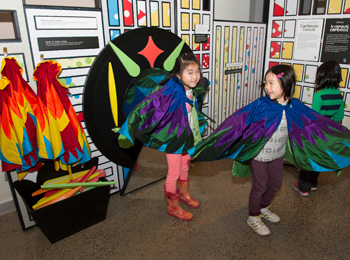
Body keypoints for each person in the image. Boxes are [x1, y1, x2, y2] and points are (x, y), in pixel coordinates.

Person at [191, 64, 350, 236]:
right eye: (265, 82)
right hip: (259, 155)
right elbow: (238, 121)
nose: (267, 87)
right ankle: (253, 216)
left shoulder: (294, 106)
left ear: (286, 84)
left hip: (277, 155)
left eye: (271, 83)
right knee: (259, 186)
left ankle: (263, 207)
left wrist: (339, 139)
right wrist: (214, 142)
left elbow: (315, 122)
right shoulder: (261, 105)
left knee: (275, 184)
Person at [117, 52, 209, 221]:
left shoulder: (191, 88)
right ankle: (172, 206)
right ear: (178, 74)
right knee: (173, 172)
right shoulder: (171, 90)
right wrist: (128, 126)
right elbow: (147, 105)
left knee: (185, 167)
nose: (195, 76)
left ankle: (184, 195)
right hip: (174, 137)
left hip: (188, 135)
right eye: (190, 72)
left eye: (197, 71)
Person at [294, 60, 345, 197]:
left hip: (315, 132)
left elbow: (314, 116)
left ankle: (303, 187)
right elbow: (339, 115)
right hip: (327, 133)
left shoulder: (319, 95)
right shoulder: (339, 96)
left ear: (322, 77)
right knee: (319, 156)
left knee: (308, 158)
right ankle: (314, 183)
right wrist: (328, 123)